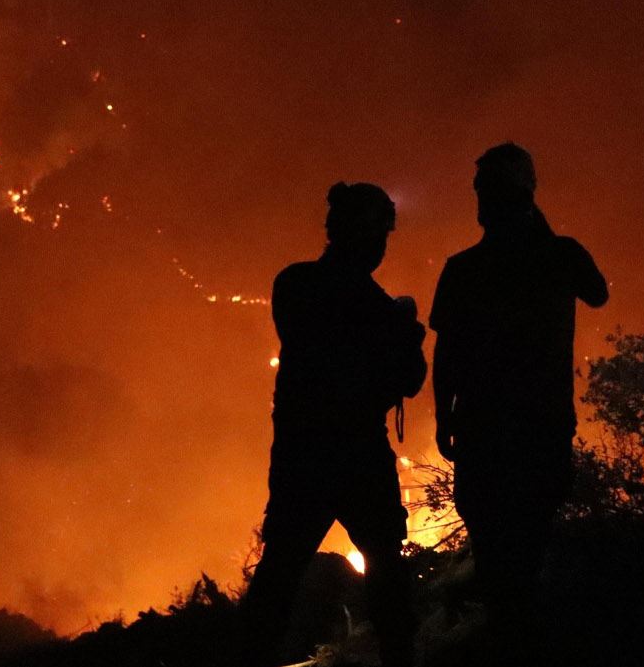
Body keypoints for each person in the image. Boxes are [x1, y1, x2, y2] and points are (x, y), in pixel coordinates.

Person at [430, 143, 608, 655]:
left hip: (489, 431)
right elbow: (596, 292)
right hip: (538, 427)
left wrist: (446, 416)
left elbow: (447, 353)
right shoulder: (559, 254)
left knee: (499, 557)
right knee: (526, 551)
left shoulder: (465, 268)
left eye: (487, 191)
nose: (483, 202)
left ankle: (509, 642)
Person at [243, 182, 427, 667]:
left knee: (279, 573)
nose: (382, 247)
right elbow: (409, 380)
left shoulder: (294, 284)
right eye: (378, 236)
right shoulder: (375, 306)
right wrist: (406, 331)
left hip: (303, 454)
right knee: (386, 570)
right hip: (359, 454)